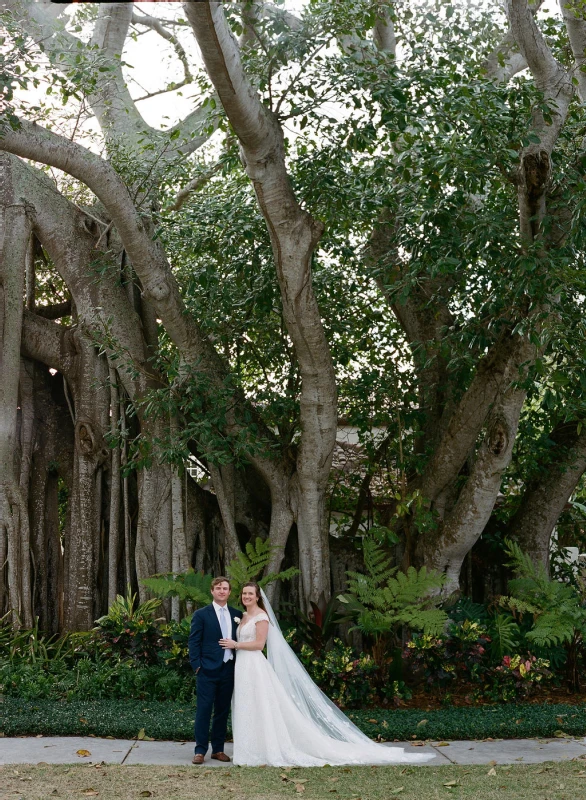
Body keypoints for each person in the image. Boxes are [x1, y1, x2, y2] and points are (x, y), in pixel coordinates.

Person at [219, 581, 435, 767]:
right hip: (241, 667)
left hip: (255, 666)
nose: (246, 596)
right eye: (244, 593)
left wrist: (236, 644)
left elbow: (258, 644)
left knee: (261, 706)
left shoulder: (261, 616)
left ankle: (264, 750)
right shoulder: (244, 615)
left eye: (250, 593)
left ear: (257, 597)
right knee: (248, 705)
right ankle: (250, 750)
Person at [188, 576, 241, 764]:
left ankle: (218, 749)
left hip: (229, 669)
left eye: (225, 588)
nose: (221, 591)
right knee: (203, 710)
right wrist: (197, 666)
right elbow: (194, 641)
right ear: (212, 591)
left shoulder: (237, 614)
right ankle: (200, 750)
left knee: (222, 711)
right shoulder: (202, 614)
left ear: (229, 592)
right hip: (207, 670)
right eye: (218, 588)